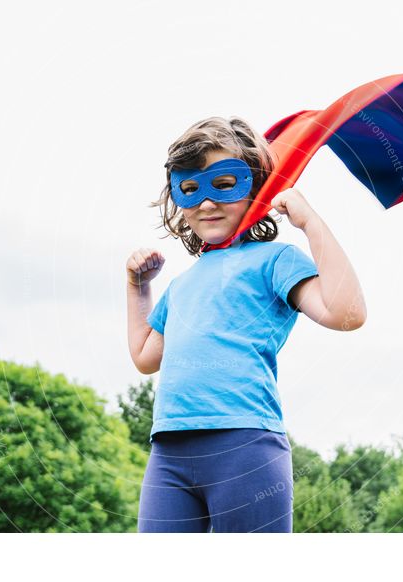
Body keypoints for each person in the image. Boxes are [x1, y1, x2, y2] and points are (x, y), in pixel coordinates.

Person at [126, 116, 366, 533]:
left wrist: (310, 222)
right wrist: (138, 287)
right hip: (169, 452)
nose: (206, 203)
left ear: (257, 186)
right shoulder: (182, 285)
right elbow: (146, 357)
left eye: (223, 184)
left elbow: (347, 313)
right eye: (190, 188)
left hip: (244, 445)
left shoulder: (275, 260)